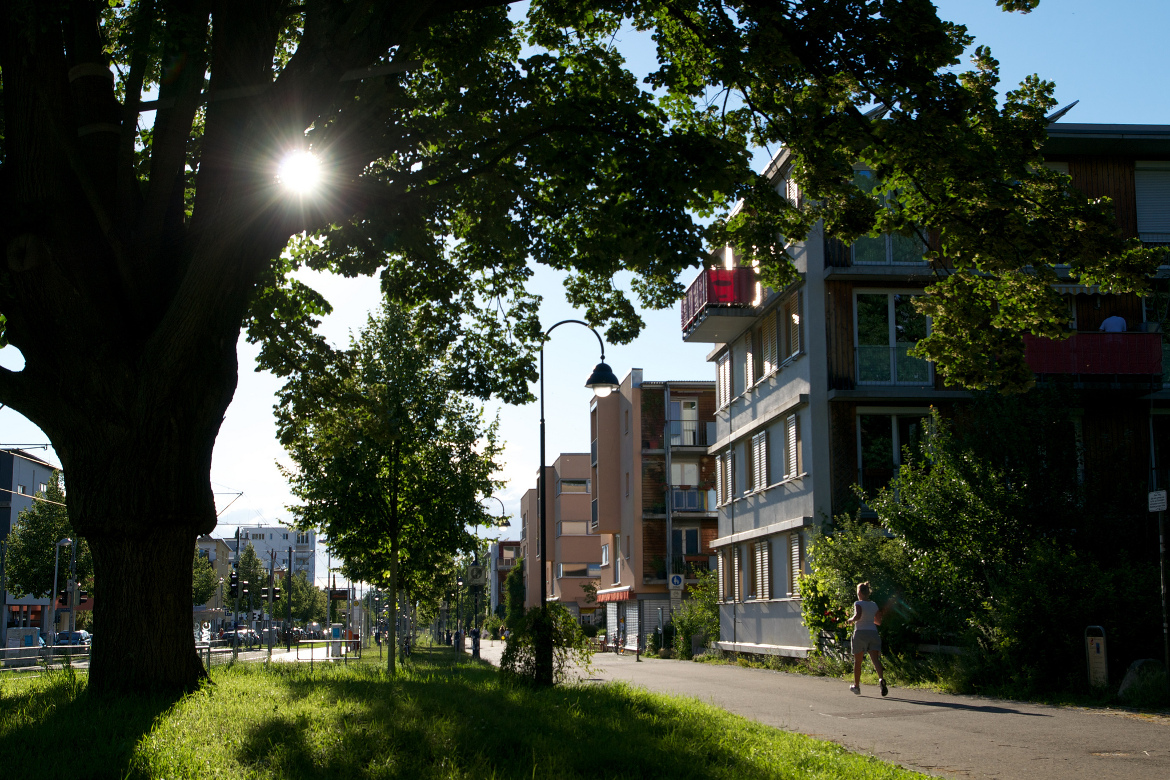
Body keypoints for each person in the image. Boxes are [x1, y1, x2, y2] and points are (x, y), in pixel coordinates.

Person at [845, 581, 888, 697]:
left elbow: (858, 616)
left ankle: (857, 686)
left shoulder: (858, 603)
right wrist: (869, 620)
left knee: (858, 661)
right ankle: (881, 679)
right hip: (873, 632)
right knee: (875, 659)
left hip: (860, 633)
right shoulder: (874, 605)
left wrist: (850, 620)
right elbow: (878, 621)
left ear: (859, 592)